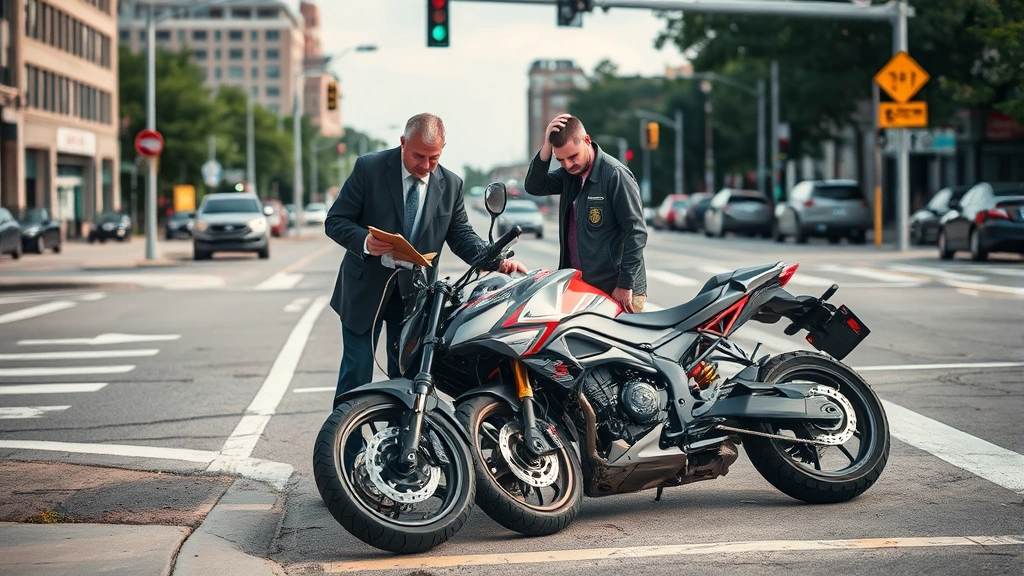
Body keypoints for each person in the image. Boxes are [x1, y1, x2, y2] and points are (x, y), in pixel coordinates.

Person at [325, 113, 525, 409]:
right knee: (356, 375)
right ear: (403, 143)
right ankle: (346, 449)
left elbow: (462, 237)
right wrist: (365, 242)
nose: (426, 165)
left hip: (413, 300)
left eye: (434, 157)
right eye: (419, 156)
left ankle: (396, 449)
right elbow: (336, 220)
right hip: (364, 293)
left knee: (405, 380)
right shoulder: (369, 168)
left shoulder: (451, 184)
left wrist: (495, 260)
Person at [524, 114, 648, 312]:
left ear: (587, 140)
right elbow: (534, 186)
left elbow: (636, 232)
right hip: (579, 288)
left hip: (616, 290)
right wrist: (547, 145)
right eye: (561, 160)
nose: (568, 165)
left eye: (573, 157)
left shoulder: (615, 174)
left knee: (615, 344)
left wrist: (625, 285)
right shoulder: (569, 175)